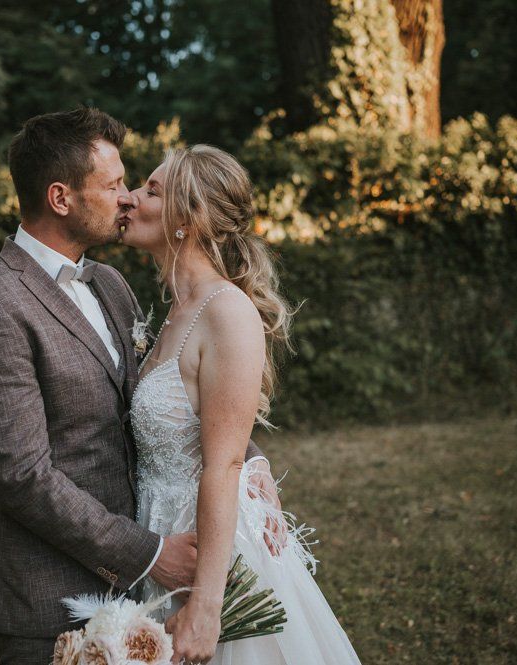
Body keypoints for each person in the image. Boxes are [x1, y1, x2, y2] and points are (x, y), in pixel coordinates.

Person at [0, 109, 282, 665]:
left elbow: (166, 401)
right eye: (115, 184)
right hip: (51, 594)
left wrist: (247, 460)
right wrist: (149, 555)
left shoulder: (110, 284)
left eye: (134, 185)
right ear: (60, 198)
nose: (128, 198)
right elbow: (21, 476)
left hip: (147, 582)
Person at [121, 144, 362, 664]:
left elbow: (224, 460)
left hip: (218, 553)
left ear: (189, 218)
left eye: (151, 190)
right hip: (164, 534)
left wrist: (208, 602)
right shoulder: (173, 312)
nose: (129, 199)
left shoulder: (225, 310)